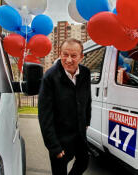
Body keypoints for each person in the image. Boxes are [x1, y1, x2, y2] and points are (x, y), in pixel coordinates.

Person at [38, 38, 92, 175]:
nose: (68, 60)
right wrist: (54, 146)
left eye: (73, 56)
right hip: (60, 139)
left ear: (81, 57)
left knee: (83, 162)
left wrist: (87, 121)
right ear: (60, 54)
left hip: (79, 135)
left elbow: (87, 99)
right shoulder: (50, 77)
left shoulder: (85, 73)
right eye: (65, 54)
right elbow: (45, 116)